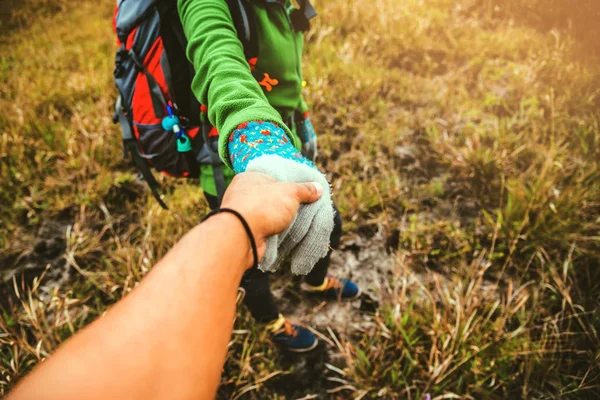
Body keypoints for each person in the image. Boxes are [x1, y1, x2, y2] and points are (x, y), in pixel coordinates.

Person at [8, 172, 324, 400]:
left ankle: (315, 283)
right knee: (255, 271)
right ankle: (272, 322)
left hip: (267, 184)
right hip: (229, 173)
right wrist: (242, 222)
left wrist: (240, 223)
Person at [178, 0, 361, 352]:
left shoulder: (283, 3)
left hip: (288, 139)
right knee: (253, 256)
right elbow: (217, 59)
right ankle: (272, 324)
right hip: (236, 157)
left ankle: (315, 282)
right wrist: (258, 140)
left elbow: (285, 74)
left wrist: (301, 114)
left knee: (327, 224)